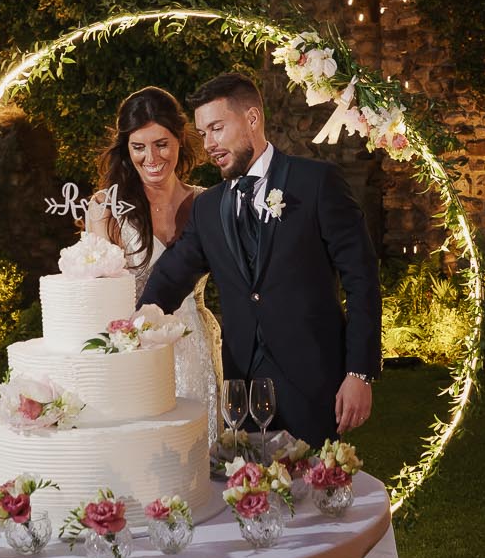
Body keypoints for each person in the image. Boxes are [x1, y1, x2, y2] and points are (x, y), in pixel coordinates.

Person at [139, 72, 380, 448]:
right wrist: (135, 326)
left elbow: (361, 280)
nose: (209, 144)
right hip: (242, 393)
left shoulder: (316, 183)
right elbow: (171, 277)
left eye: (217, 128)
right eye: (202, 133)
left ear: (252, 118)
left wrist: (359, 373)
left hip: (315, 385)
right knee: (246, 485)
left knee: (316, 484)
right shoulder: (208, 207)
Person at [84, 87, 223, 445]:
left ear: (180, 139)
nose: (151, 158)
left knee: (197, 451)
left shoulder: (207, 203)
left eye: (161, 144)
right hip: (134, 353)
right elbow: (96, 296)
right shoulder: (106, 209)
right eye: (139, 147)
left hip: (194, 347)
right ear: (126, 149)